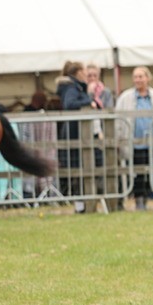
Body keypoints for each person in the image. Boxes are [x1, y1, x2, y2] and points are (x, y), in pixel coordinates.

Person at [116, 67, 153, 209]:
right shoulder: (125, 97)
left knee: (150, 170)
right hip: (133, 141)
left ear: (147, 78)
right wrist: (119, 138)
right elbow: (118, 119)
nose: (138, 80)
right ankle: (139, 199)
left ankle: (146, 197)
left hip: (152, 141)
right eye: (135, 77)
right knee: (136, 172)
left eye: (140, 76)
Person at [55, 60, 93, 212]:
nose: (87, 74)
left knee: (81, 169)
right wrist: (90, 100)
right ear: (78, 73)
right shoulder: (71, 87)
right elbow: (69, 104)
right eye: (85, 71)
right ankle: (80, 205)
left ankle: (84, 204)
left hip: (76, 131)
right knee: (78, 170)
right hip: (74, 132)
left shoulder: (74, 86)